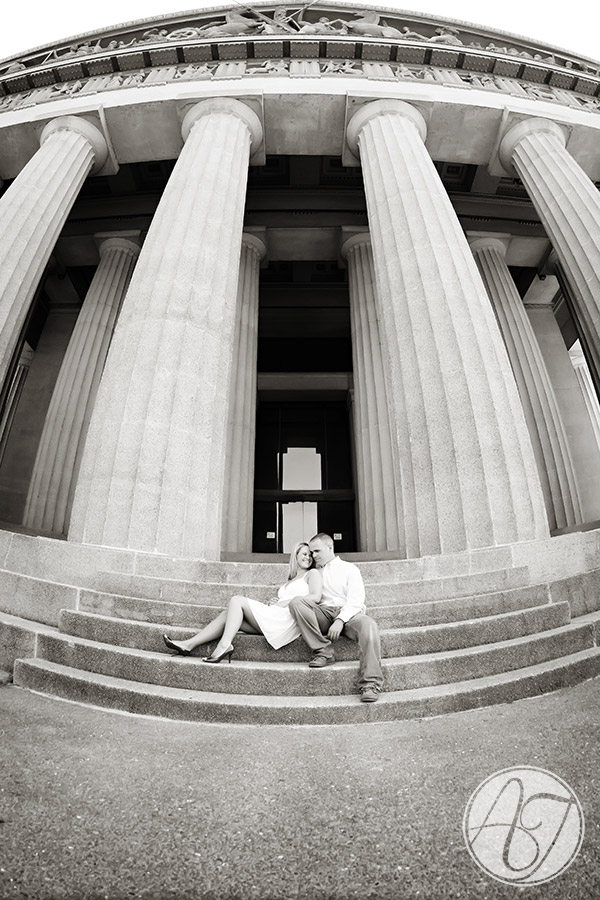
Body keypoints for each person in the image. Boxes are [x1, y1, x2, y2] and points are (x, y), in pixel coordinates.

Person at [162, 542, 321, 663]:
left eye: (310, 555)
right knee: (228, 614)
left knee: (236, 600)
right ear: (295, 555)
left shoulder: (312, 573)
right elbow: (286, 599)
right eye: (304, 554)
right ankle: (188, 644)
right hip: (276, 617)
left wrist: (285, 602)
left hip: (287, 622)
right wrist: (276, 601)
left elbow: (315, 597)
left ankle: (225, 645)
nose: (308, 557)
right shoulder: (290, 580)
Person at [288, 533, 383, 702]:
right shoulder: (312, 573)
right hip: (322, 614)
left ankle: (370, 683)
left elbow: (356, 600)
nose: (313, 555)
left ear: (330, 548)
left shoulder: (349, 568)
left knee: (369, 625)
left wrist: (340, 620)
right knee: (297, 603)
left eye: (317, 551)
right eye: (311, 552)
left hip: (349, 615)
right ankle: (324, 650)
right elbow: (300, 594)